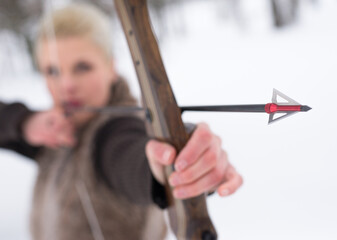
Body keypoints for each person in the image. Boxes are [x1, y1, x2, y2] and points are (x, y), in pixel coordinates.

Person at [0, 3, 243, 240]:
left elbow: (133, 156)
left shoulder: (116, 131)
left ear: (111, 67)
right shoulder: (53, 131)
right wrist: (24, 122)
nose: (66, 85)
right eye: (52, 71)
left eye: (82, 67)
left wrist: (179, 156)